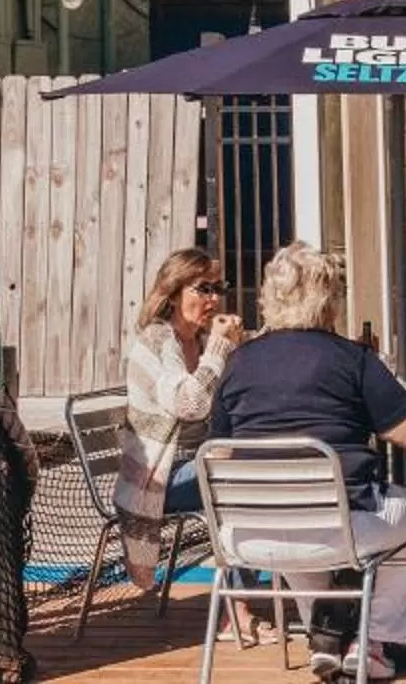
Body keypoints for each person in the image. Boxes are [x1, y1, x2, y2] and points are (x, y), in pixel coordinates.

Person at [209, 244, 406, 682]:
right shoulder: (351, 359)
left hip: (249, 537)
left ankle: (323, 638)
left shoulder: (237, 363)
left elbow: (218, 453)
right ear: (329, 297)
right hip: (339, 528)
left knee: (299, 516)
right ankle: (372, 641)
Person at [118, 248, 245, 590]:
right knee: (240, 480)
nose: (214, 300)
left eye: (219, 289)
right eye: (203, 289)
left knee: (252, 469)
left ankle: (242, 601)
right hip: (157, 478)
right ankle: (238, 609)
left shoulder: (200, 341)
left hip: (195, 463)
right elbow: (190, 404)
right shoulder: (159, 341)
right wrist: (220, 348)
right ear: (174, 294)